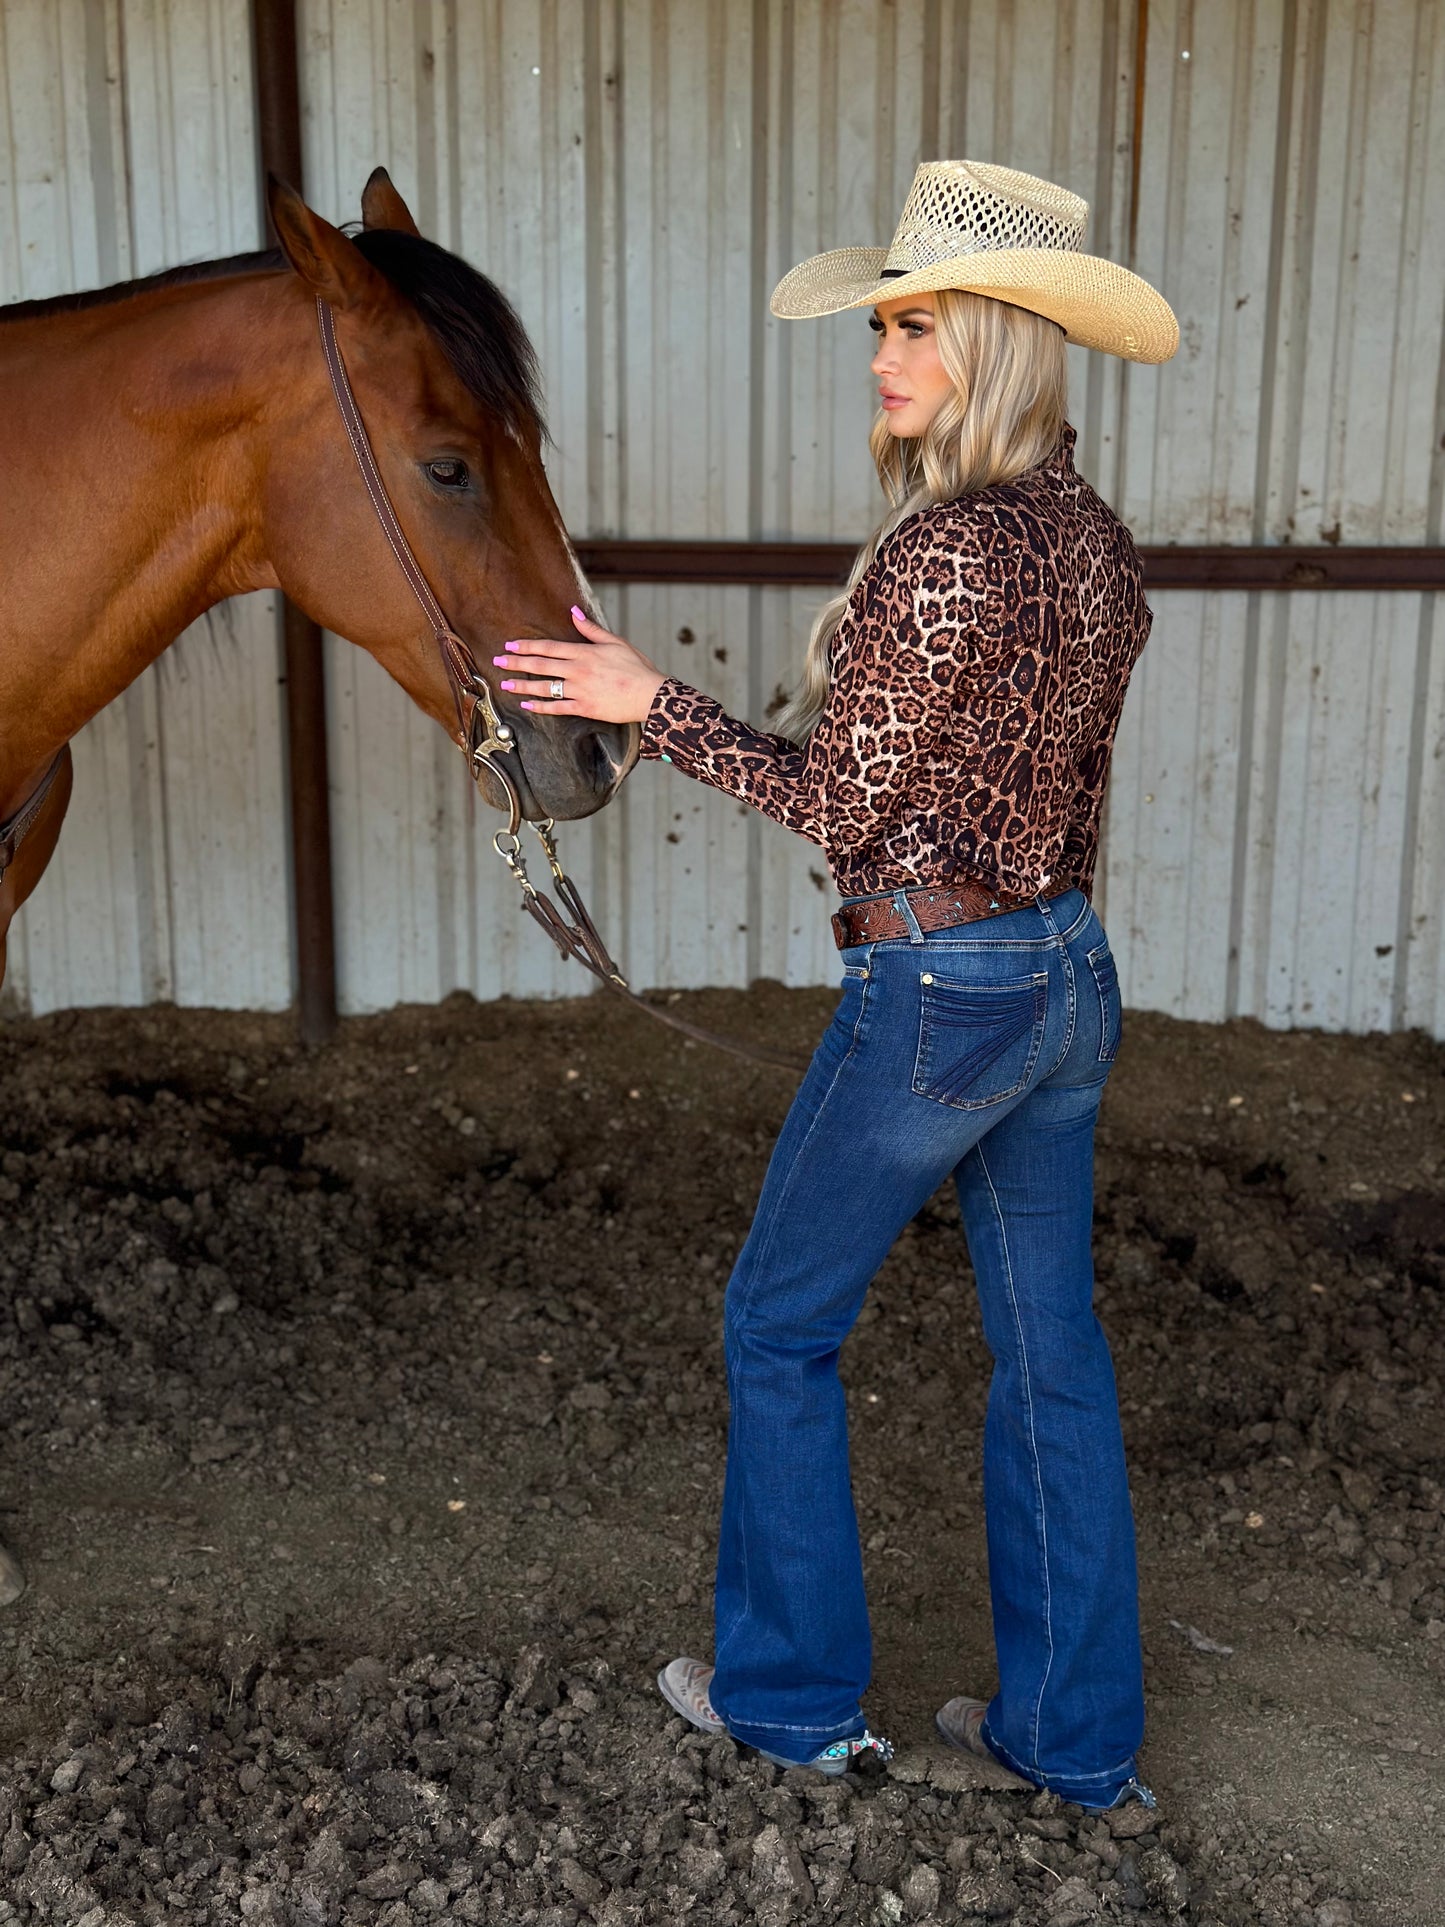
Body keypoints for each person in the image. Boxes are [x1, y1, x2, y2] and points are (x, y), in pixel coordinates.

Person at [493, 160, 1177, 1809]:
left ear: (996, 343)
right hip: (1065, 975)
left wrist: (645, 702)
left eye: (914, 327)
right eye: (880, 325)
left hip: (940, 987)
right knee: (1050, 1355)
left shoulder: (946, 548)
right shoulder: (1089, 533)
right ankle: (1072, 1746)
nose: (881, 356)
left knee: (776, 1327)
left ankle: (791, 1702)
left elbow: (843, 807)